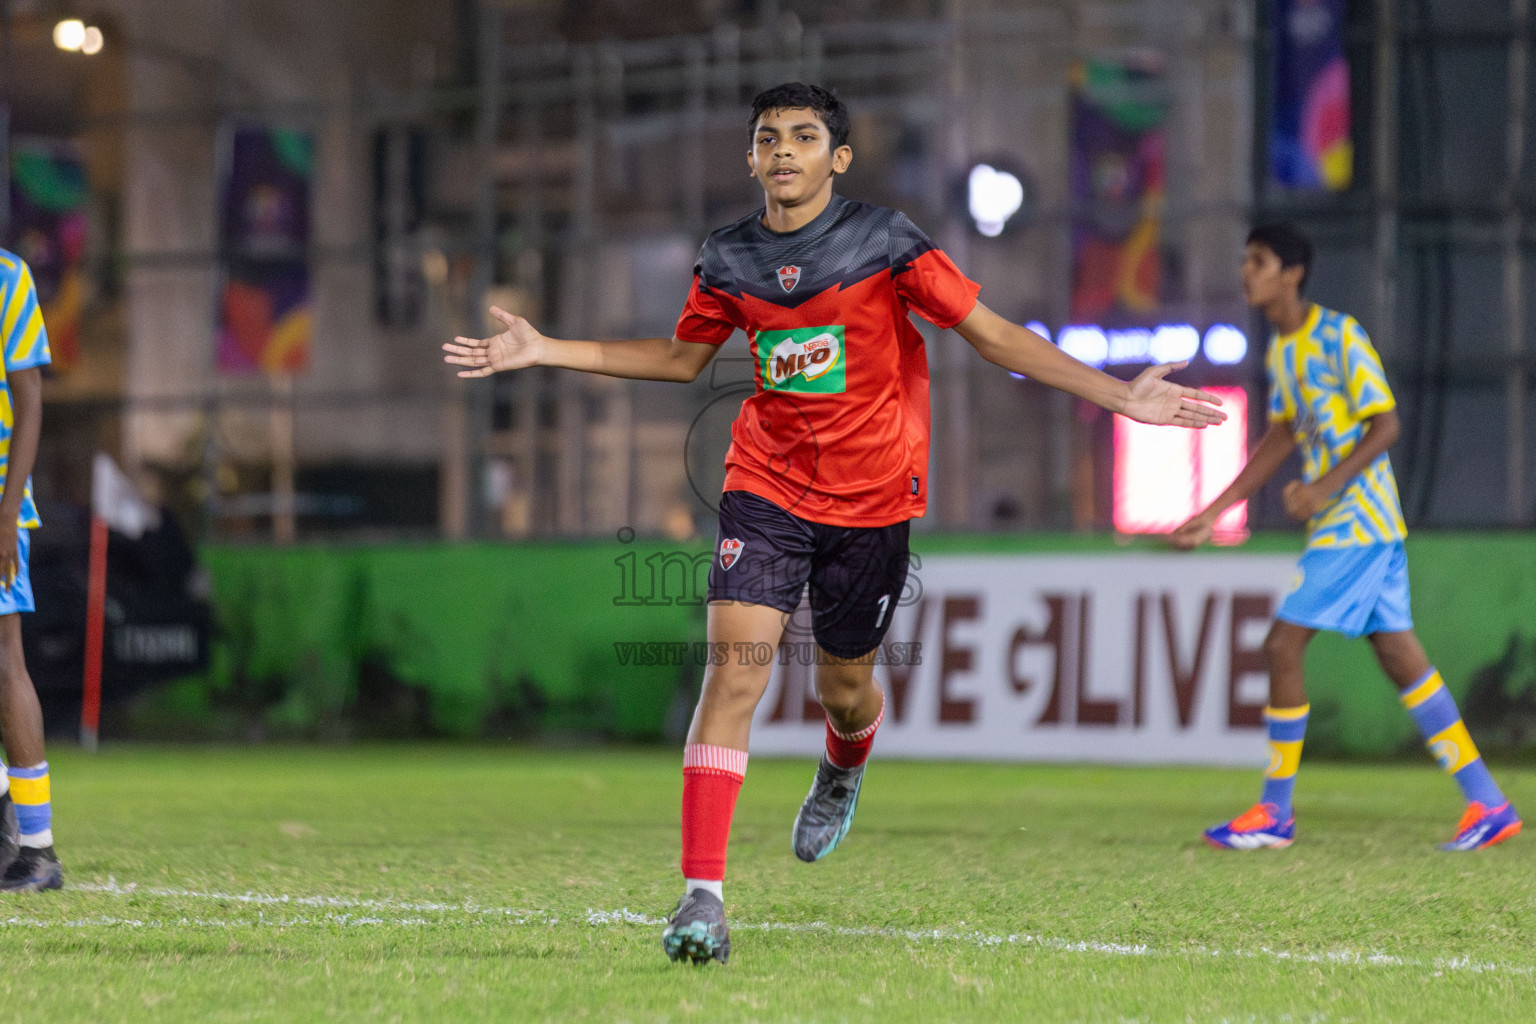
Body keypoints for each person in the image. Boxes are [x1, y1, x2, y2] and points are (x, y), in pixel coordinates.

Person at [445, 83, 1224, 964]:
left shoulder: (885, 243)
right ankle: (702, 898)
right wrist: (547, 347)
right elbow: (680, 358)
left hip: (874, 504)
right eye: (768, 138)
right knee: (733, 677)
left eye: (805, 137)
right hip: (765, 489)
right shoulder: (728, 258)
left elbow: (996, 336)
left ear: (837, 158)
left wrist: (1122, 396)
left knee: (842, 692)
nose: (783, 151)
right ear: (750, 158)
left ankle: (843, 765)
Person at [1170, 222, 1520, 853]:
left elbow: (1385, 424)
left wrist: (1326, 486)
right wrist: (1216, 509)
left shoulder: (1338, 335)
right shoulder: (1283, 350)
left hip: (1356, 521)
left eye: (1259, 260)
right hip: (1360, 524)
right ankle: (1489, 803)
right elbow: (1282, 437)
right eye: (1245, 259)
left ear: (1292, 272)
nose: (1246, 270)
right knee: (1398, 657)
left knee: (1281, 647)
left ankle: (1275, 812)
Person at [0, 248, 64, 891]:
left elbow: (29, 396)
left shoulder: (7, 276)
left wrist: (8, 509)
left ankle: (38, 851)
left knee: (4, 659)